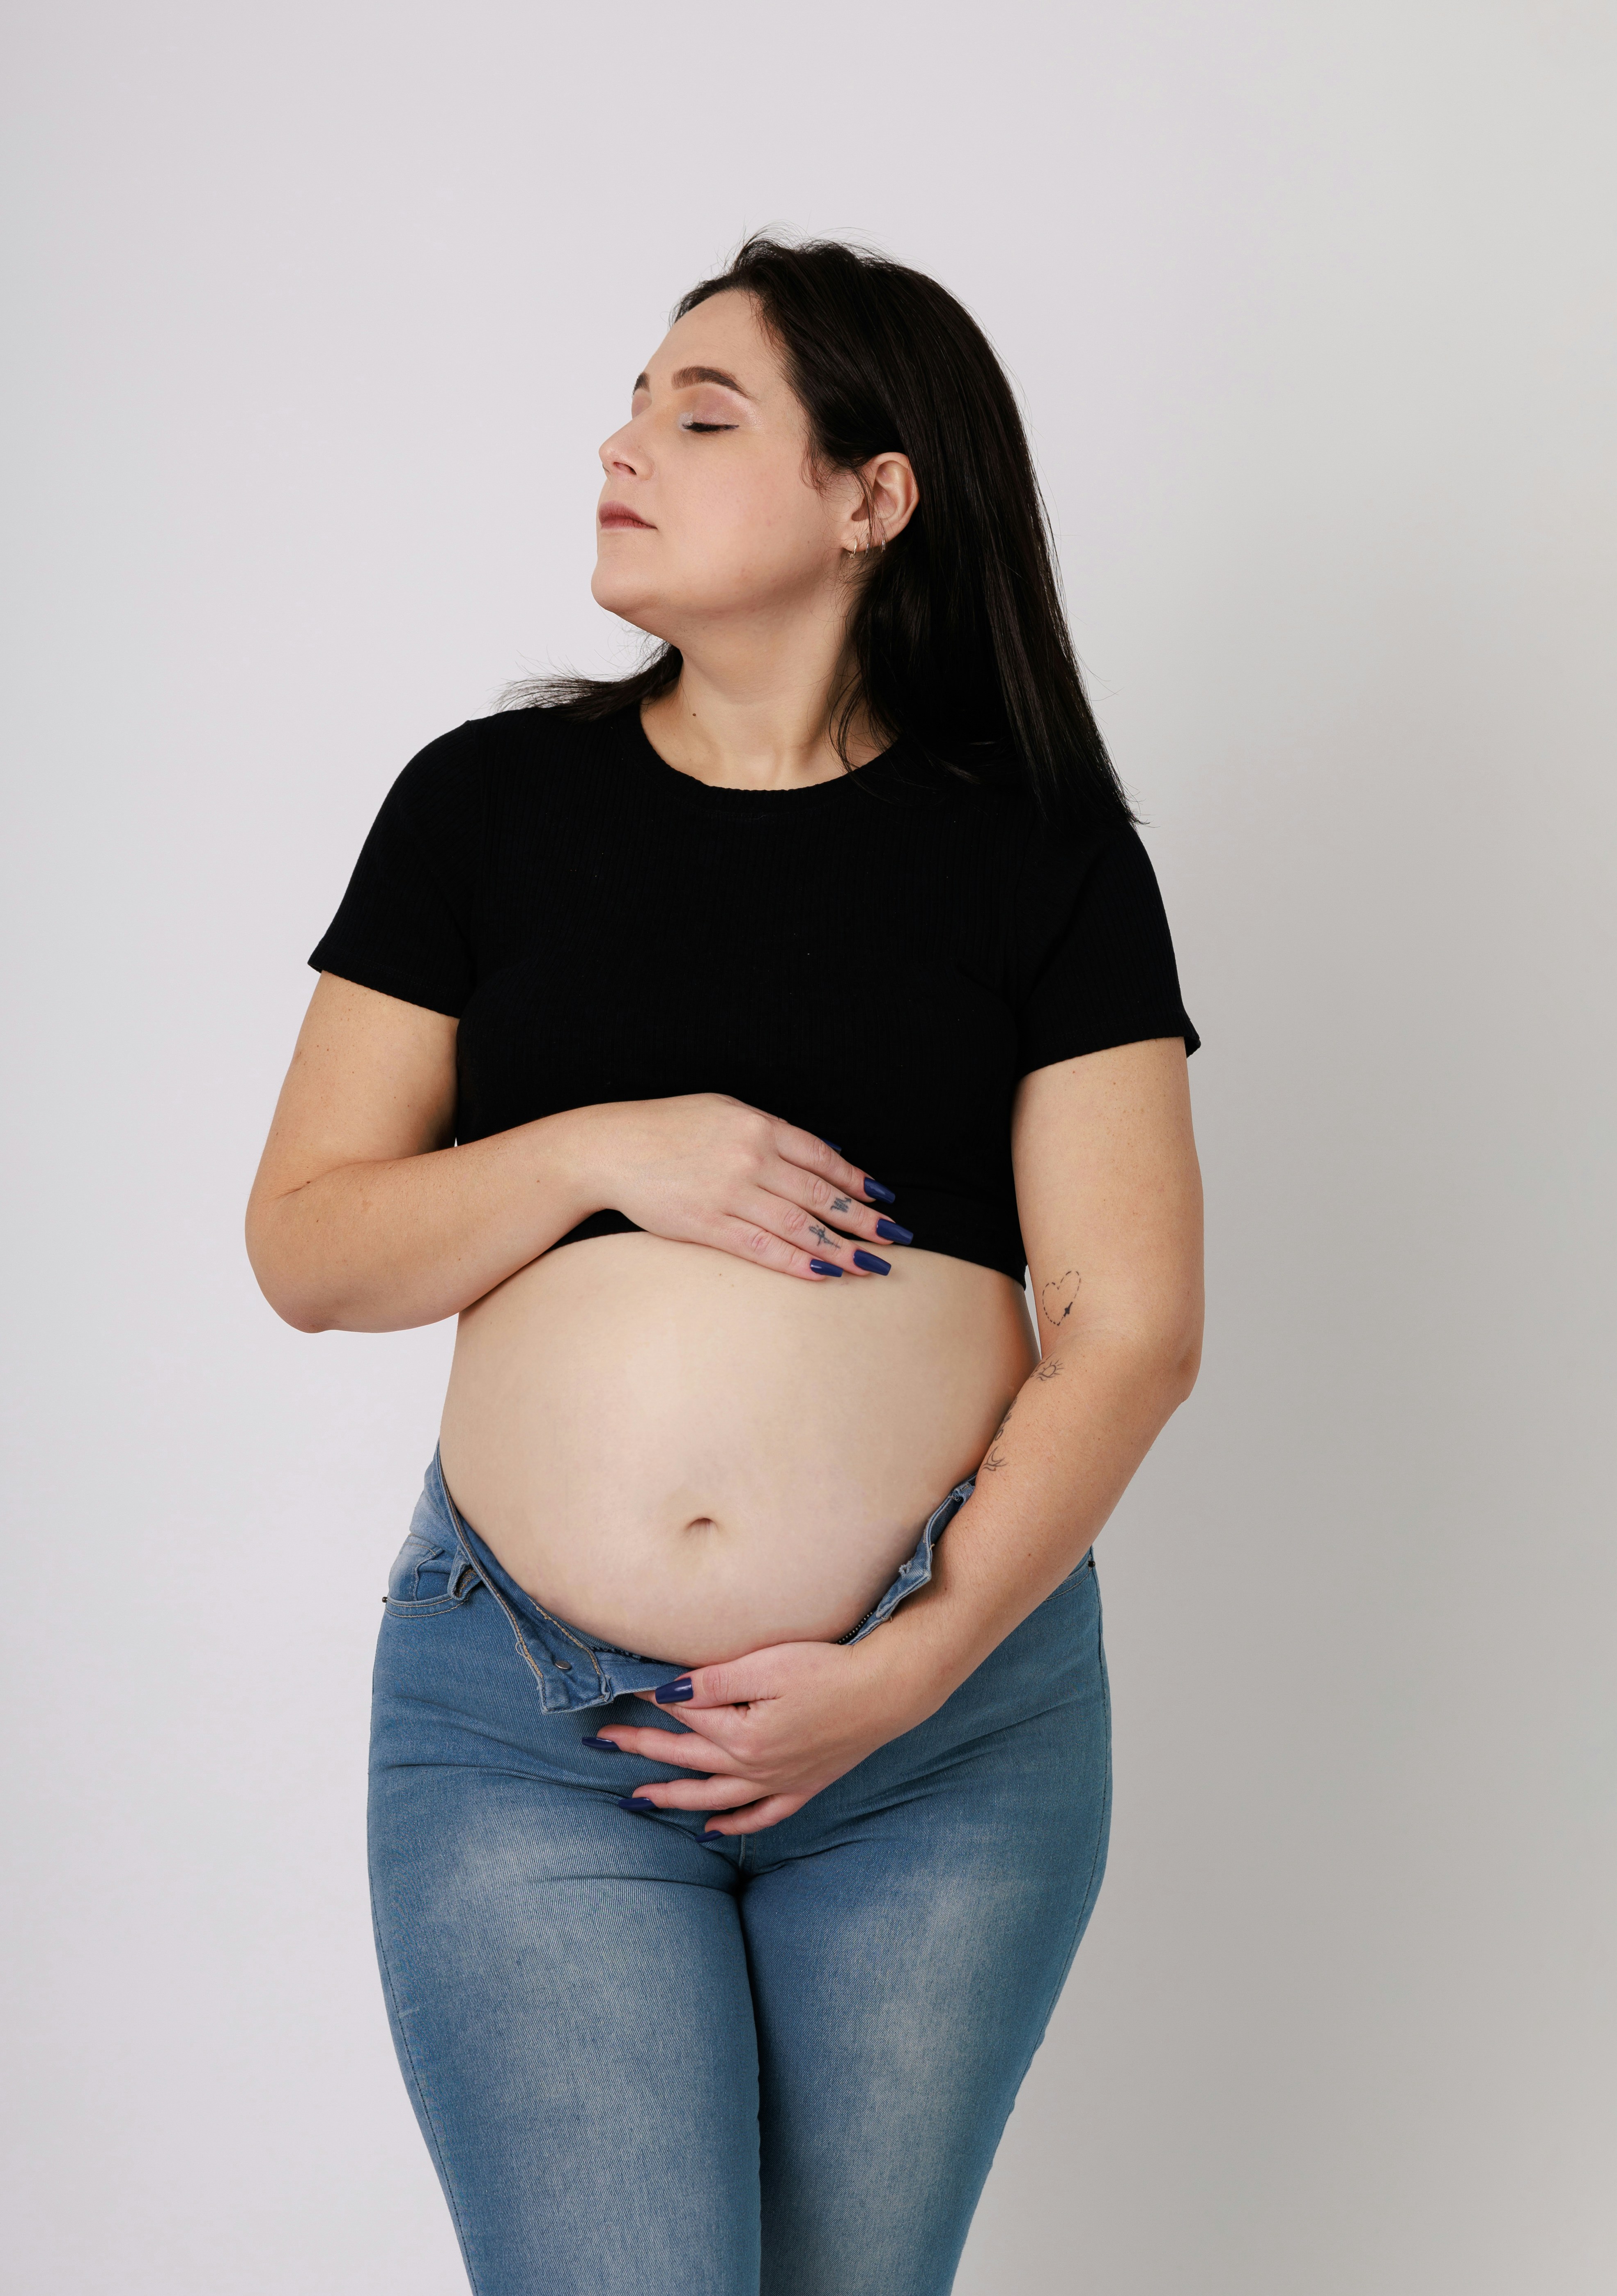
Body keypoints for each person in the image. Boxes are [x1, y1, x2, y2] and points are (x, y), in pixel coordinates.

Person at [246, 234, 1204, 2296]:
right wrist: (606, 1149)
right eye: (631, 403)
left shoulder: (1039, 845)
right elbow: (308, 1245)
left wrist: (906, 1666)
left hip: (935, 1744)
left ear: (873, 498)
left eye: (702, 412)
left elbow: (1126, 1327)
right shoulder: (484, 804)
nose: (624, 442)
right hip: (527, 1723)